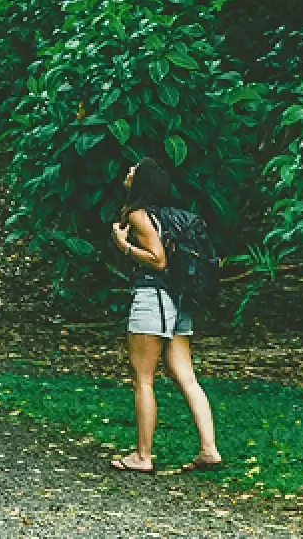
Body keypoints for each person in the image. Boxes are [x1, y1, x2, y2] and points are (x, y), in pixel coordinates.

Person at [108, 157, 223, 475]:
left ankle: (142, 456)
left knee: (142, 378)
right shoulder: (169, 216)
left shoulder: (138, 215)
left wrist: (123, 246)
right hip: (178, 301)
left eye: (134, 170)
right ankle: (209, 449)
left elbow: (157, 260)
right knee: (186, 377)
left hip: (154, 299)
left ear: (142, 182)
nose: (129, 171)